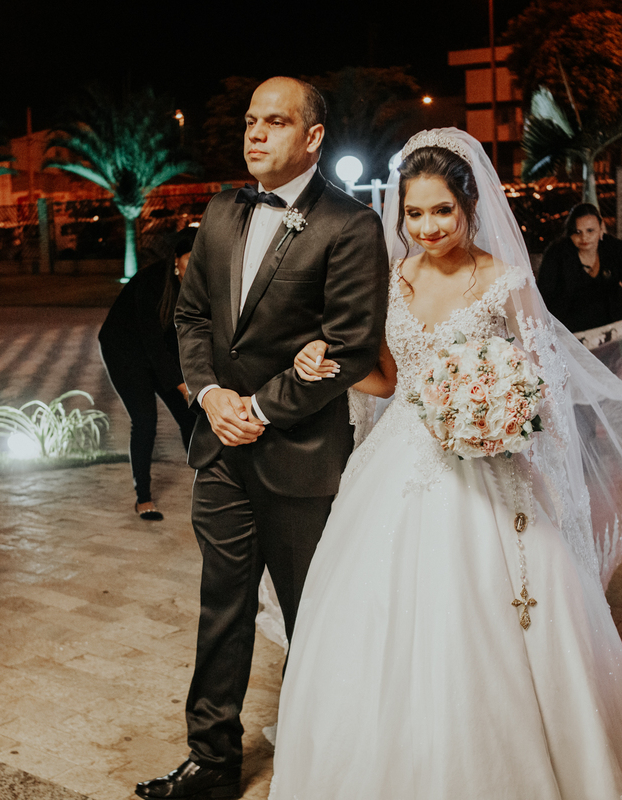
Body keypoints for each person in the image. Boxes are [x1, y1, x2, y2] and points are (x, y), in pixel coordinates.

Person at [269, 129, 622, 799]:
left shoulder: (503, 279)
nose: (427, 227)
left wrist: (502, 413)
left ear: (470, 204)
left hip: (489, 464)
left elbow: (543, 378)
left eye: (442, 210)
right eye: (414, 212)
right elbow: (384, 378)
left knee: (506, 617)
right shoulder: (393, 278)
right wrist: (325, 364)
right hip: (398, 460)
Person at [134, 77, 388, 799]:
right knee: (221, 609)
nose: (255, 133)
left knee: (314, 618)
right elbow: (190, 318)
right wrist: (211, 396)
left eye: (274, 122)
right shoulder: (221, 210)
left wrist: (261, 409)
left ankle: (329, 763)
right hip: (220, 450)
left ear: (313, 137)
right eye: (251, 120)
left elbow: (352, 348)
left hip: (301, 458)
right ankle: (211, 762)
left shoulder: (351, 225)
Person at [98, 227, 200, 521]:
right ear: (176, 259)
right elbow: (151, 341)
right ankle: (143, 497)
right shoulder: (151, 281)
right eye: (190, 259)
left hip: (159, 351)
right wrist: (182, 386)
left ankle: (206, 481)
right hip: (125, 351)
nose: (196, 265)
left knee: (190, 416)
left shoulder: (198, 282)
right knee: (145, 420)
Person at [537, 202, 622, 333]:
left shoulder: (615, 249)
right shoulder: (556, 254)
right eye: (577, 232)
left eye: (590, 230)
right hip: (572, 333)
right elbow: (543, 297)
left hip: (613, 329)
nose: (584, 237)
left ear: (601, 230)